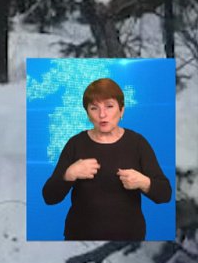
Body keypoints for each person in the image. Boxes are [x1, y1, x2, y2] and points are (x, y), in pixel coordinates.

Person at [42, 77, 172, 240]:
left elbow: (165, 194)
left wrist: (143, 182)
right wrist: (69, 174)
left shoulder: (137, 143)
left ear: (121, 110)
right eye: (94, 108)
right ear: (87, 113)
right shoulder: (76, 143)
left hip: (128, 240)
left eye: (109, 106)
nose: (102, 115)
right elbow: (49, 197)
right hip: (80, 238)